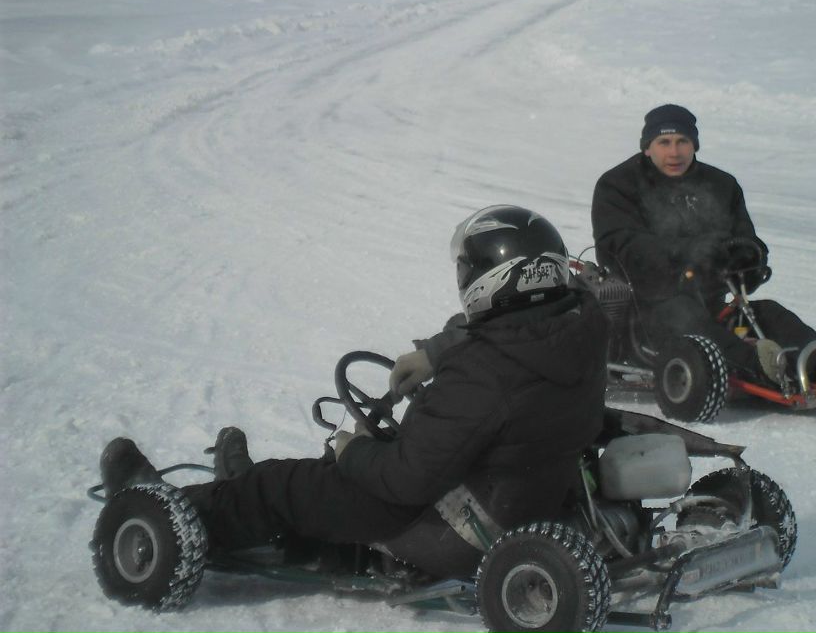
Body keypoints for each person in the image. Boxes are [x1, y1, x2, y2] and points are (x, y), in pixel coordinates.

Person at [99, 205, 609, 578]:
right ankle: (240, 500)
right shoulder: (580, 328)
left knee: (282, 485)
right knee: (325, 478)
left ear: (488, 280)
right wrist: (435, 354)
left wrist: (353, 450)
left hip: (440, 524)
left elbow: (408, 479)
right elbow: (511, 329)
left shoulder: (484, 374)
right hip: (506, 496)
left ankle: (165, 518)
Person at [591, 103, 816, 390]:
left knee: (769, 314)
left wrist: (747, 258)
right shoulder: (618, 186)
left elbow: (746, 238)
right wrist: (686, 252)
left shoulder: (720, 185)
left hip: (712, 302)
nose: (674, 152)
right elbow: (621, 248)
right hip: (647, 313)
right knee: (685, 316)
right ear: (647, 147)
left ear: (694, 145)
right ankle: (761, 367)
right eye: (664, 142)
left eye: (683, 141)